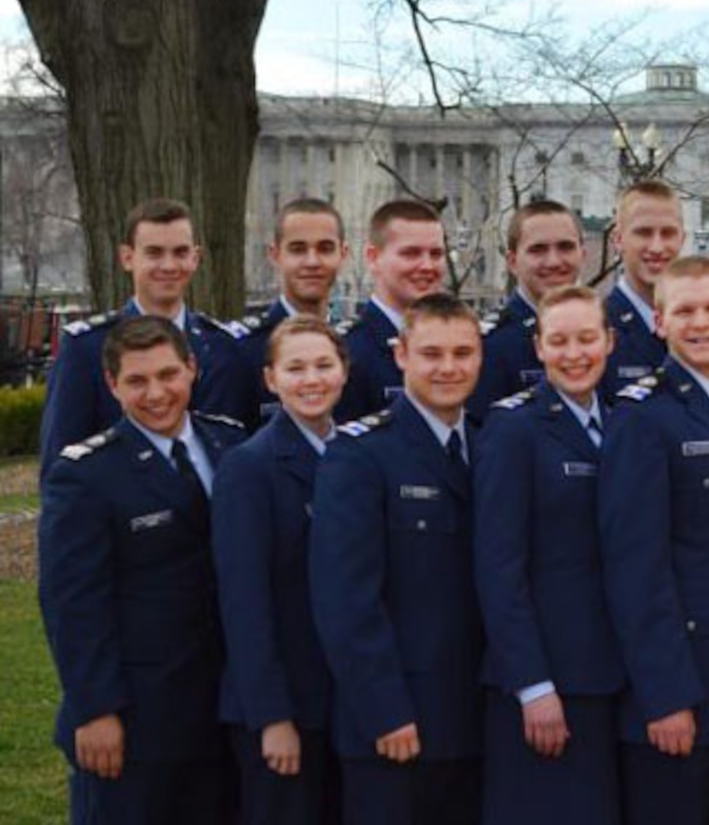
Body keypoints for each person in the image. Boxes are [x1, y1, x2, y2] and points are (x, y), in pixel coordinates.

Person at [40, 315, 246, 824]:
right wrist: (95, 709)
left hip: (220, 709)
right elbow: (73, 603)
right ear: (112, 385)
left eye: (168, 375)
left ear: (192, 369)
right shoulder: (86, 475)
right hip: (134, 718)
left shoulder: (232, 447)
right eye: (136, 381)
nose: (157, 393)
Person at [599, 257, 709, 825]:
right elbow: (635, 568)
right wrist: (666, 694)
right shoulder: (642, 417)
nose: (701, 323)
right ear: (658, 322)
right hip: (682, 691)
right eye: (684, 311)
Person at [311, 293, 485, 825]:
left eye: (463, 353)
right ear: (401, 354)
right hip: (395, 724)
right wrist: (385, 711)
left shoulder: (489, 445)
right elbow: (346, 602)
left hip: (475, 718)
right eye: (432, 354)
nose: (449, 368)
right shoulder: (360, 455)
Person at [473, 285, 624, 825]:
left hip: (612, 677)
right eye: (559, 340)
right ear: (538, 348)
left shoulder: (626, 422)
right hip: (546, 684)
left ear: (609, 341)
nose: (575, 353)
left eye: (587, 338)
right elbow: (498, 567)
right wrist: (533, 684)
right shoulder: (514, 429)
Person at [213, 317, 351, 825]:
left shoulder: (356, 454)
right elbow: (244, 602)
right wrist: (272, 716)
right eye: (295, 368)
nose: (311, 380)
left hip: (346, 703)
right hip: (284, 705)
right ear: (271, 379)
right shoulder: (250, 466)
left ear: (344, 373)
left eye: (323, 365)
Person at [40, 198, 253, 475]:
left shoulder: (224, 346)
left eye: (180, 252)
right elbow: (61, 462)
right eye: (154, 253)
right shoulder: (87, 349)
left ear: (195, 258)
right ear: (127, 258)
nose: (168, 265)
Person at [471, 201, 586, 421]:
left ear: (583, 254)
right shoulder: (490, 344)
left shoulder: (604, 333)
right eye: (538, 250)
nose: (553, 261)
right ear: (512, 262)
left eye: (565, 247)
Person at [336, 201, 448, 423]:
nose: (427, 266)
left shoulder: (460, 346)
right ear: (373, 257)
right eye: (411, 253)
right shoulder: (346, 353)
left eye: (436, 254)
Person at [236, 198, 352, 390]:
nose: (312, 262)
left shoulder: (356, 344)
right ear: (275, 255)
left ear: (343, 254)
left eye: (325, 248)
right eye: (298, 250)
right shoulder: (243, 349)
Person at [603, 180, 684, 384]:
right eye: (643, 233)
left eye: (668, 233)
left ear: (682, 239)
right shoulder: (596, 327)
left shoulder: (704, 324)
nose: (657, 247)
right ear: (618, 239)